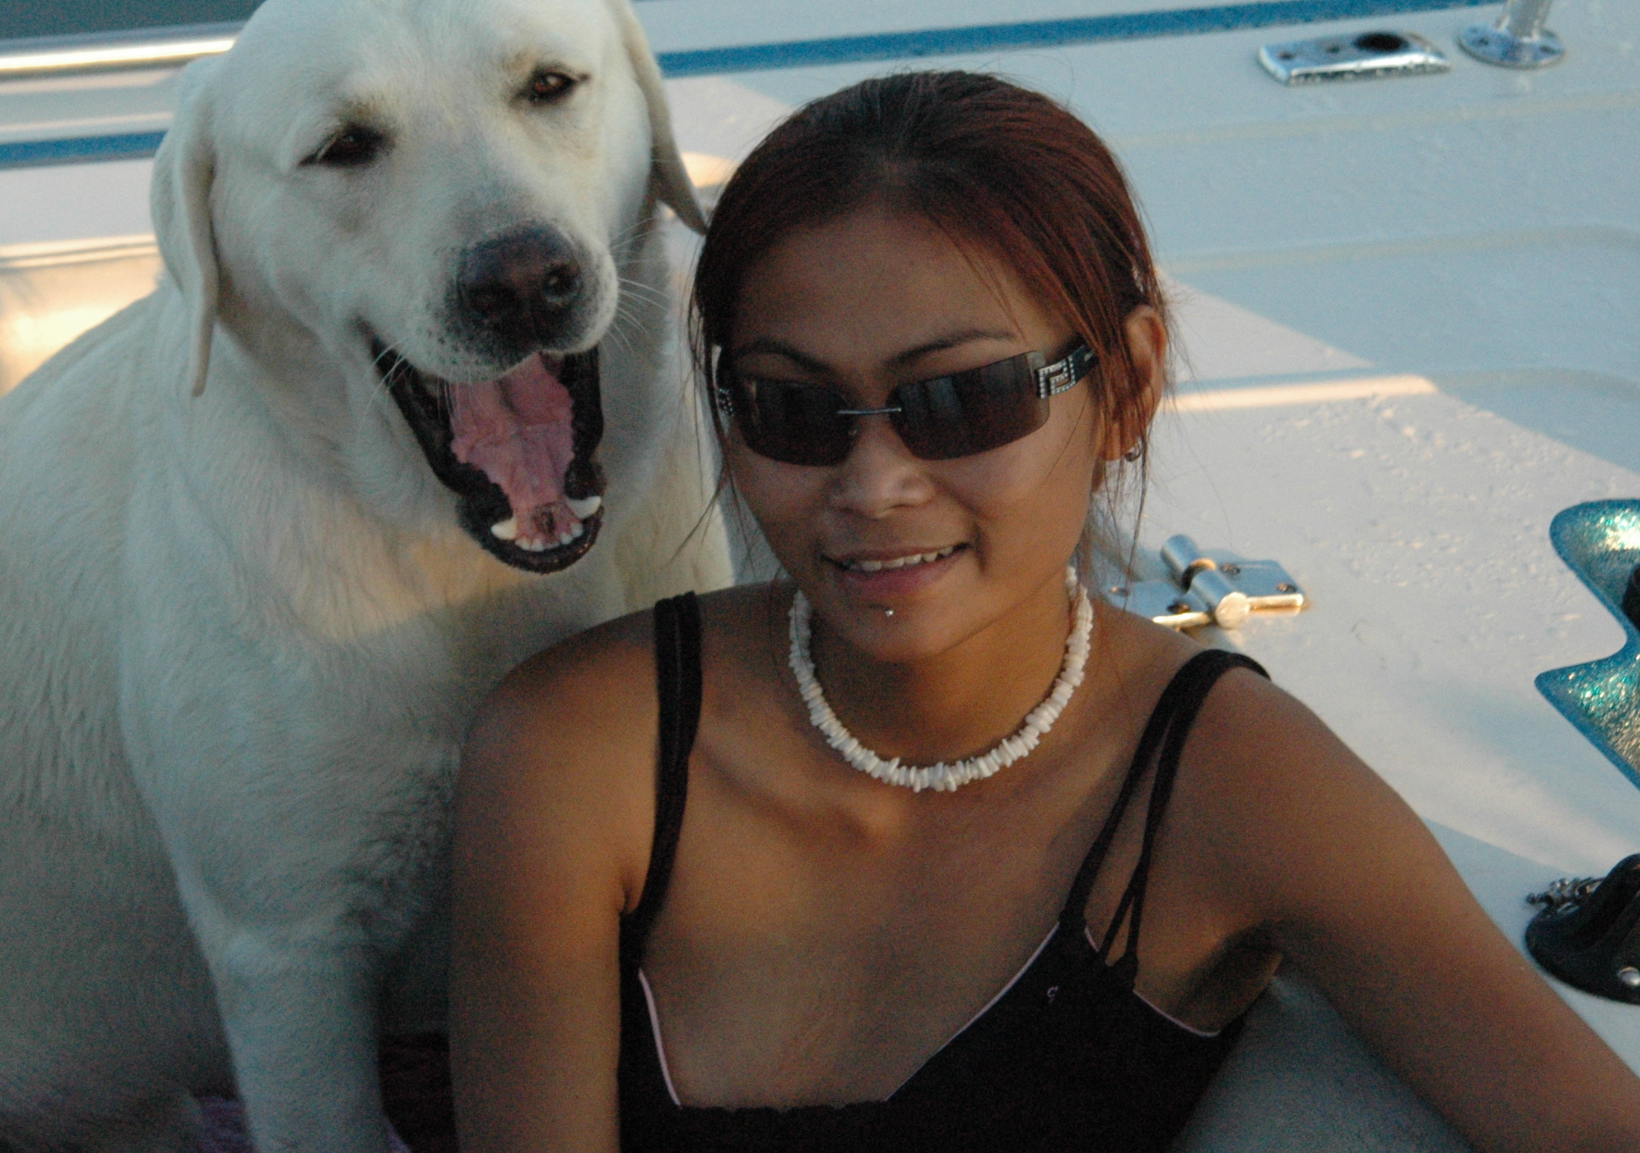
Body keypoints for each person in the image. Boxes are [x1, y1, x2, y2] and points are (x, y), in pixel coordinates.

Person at [447, 71, 1640, 1151]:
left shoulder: (1232, 788)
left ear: (1125, 383)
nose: (873, 485)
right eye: (790, 410)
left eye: (960, 400)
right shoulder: (577, 753)